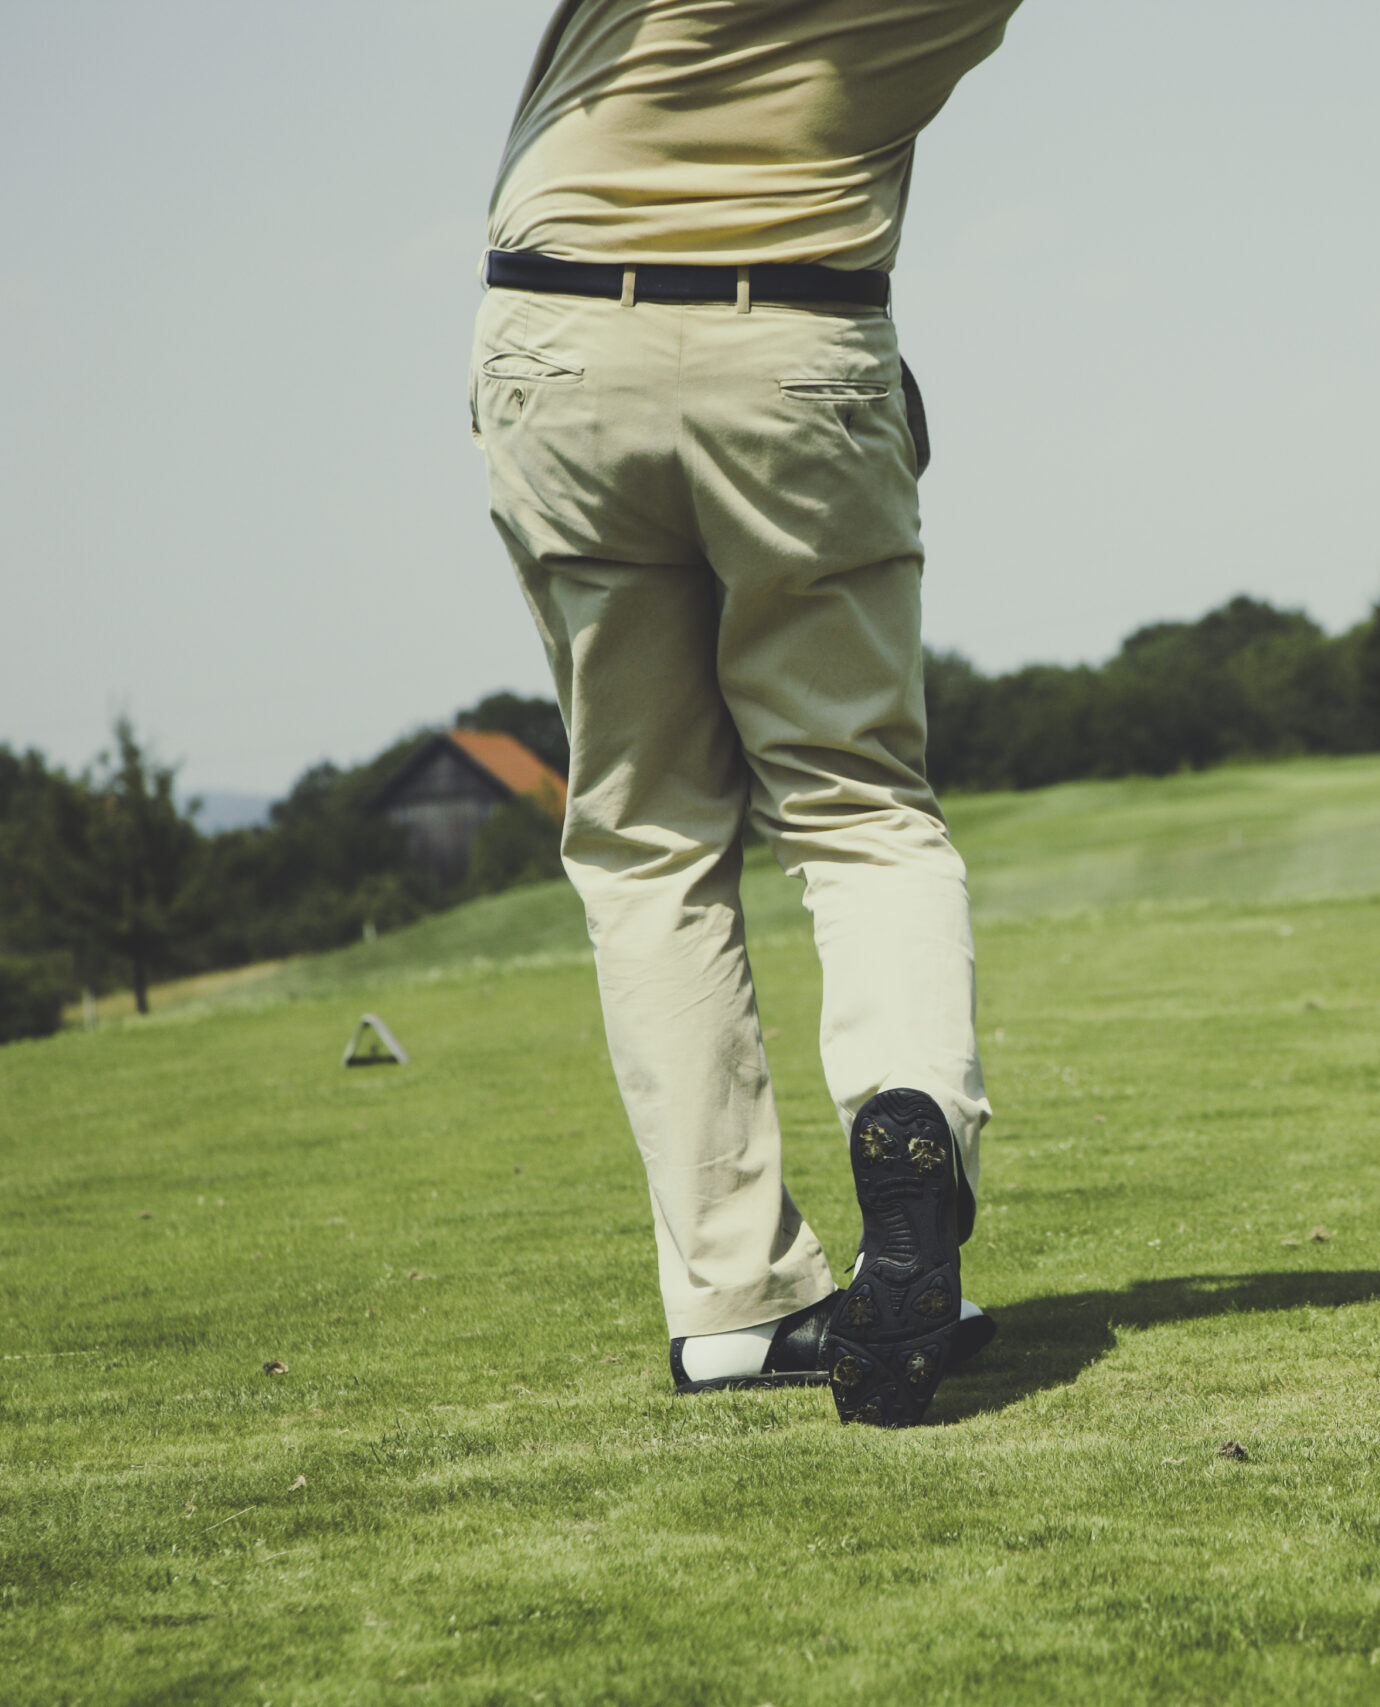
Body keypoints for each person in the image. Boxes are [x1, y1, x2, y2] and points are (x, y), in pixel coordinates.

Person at [470, 0, 1023, 1427]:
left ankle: (735, 1304)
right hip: (799, 336)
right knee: (859, 809)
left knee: (646, 839)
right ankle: (907, 1120)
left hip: (557, 332)